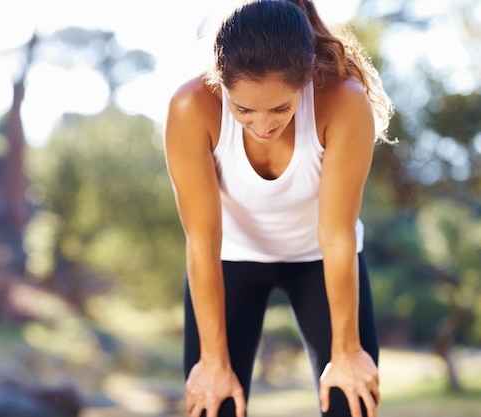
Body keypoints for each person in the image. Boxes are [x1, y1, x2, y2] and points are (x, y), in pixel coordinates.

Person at [163, 1, 394, 417]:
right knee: (214, 403)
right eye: (243, 110)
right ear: (220, 81)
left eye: (281, 108)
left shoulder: (343, 101)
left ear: (308, 77)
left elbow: (337, 235)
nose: (263, 126)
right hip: (228, 260)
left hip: (321, 259)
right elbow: (202, 240)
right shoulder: (190, 106)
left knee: (351, 400)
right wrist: (213, 361)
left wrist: (347, 352)